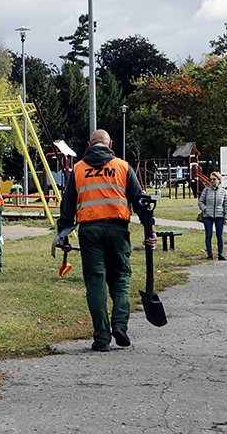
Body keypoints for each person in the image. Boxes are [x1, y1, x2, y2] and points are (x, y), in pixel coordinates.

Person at [56, 129, 156, 352]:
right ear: (109, 144)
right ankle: (119, 326)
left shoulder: (78, 169)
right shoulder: (122, 166)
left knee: (95, 283)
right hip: (117, 230)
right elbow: (140, 201)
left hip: (90, 231)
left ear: (90, 144)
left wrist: (62, 234)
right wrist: (151, 230)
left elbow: (67, 206)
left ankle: (101, 338)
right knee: (120, 278)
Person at [197, 171, 227, 260]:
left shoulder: (223, 191)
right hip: (208, 216)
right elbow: (200, 202)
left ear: (218, 180)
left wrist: (226, 217)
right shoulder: (206, 190)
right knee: (208, 235)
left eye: (214, 179)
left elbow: (226, 204)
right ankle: (209, 254)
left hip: (220, 215)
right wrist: (205, 209)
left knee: (220, 235)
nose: (212, 181)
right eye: (210, 179)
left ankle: (220, 254)